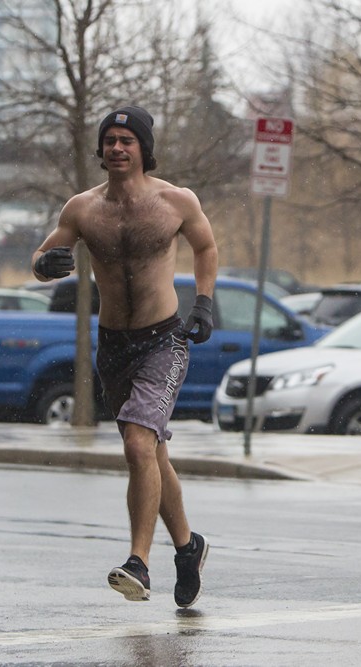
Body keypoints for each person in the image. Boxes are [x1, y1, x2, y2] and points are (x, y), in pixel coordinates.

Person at [31, 105, 216, 608]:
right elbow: (43, 258)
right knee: (151, 452)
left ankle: (139, 562)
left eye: (126, 140)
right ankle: (187, 547)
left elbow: (205, 247)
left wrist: (203, 302)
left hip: (164, 340)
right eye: (109, 139)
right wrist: (45, 265)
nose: (116, 147)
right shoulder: (82, 208)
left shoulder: (175, 201)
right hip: (114, 343)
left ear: (143, 149)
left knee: (138, 444)